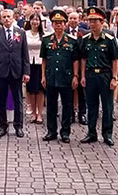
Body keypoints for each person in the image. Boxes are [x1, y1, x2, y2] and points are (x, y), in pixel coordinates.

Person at [79, 7, 118, 146]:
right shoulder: (86, 39)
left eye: (95, 21)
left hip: (105, 75)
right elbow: (83, 59)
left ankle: (107, 134)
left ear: (102, 22)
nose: (92, 24)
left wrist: (114, 78)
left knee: (107, 106)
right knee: (91, 105)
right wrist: (83, 76)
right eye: (90, 21)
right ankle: (91, 133)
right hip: (90, 74)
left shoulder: (109, 39)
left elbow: (115, 59)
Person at [0, 9, 30, 138]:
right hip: (1, 71)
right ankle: (3, 126)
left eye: (9, 17)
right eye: (4, 17)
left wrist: (26, 72)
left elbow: (25, 54)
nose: (6, 19)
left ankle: (18, 126)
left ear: (13, 18)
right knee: (1, 100)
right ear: (1, 19)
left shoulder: (21, 33)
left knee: (18, 100)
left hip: (16, 71)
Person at [41, 10, 79, 143]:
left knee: (66, 105)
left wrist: (75, 76)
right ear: (52, 25)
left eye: (61, 23)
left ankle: (65, 132)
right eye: (56, 23)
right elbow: (44, 60)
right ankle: (51, 131)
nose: (58, 26)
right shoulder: (46, 40)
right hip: (51, 77)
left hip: (66, 77)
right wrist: (43, 76)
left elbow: (75, 60)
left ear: (65, 25)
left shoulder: (72, 41)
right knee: (51, 106)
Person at [25, 13, 46, 124]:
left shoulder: (44, 34)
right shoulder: (25, 34)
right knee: (31, 90)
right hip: (28, 64)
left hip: (40, 63)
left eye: (37, 20)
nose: (35, 22)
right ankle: (33, 113)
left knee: (40, 90)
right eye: (33, 20)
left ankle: (39, 114)